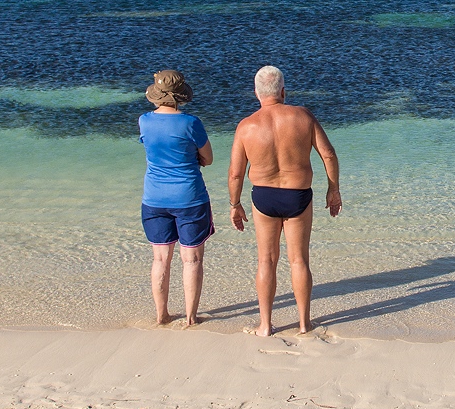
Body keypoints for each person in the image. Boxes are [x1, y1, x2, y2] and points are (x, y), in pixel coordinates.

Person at [228, 65, 341, 336]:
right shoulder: (303, 116)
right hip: (298, 195)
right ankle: (304, 324)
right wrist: (333, 189)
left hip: (264, 197)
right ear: (283, 91)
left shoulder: (246, 126)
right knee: (299, 261)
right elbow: (328, 154)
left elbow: (235, 173)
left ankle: (265, 326)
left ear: (256, 93)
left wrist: (235, 204)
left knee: (266, 261)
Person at [138, 69, 215, 327]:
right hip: (189, 197)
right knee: (191, 259)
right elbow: (208, 158)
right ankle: (192, 317)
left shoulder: (144, 121)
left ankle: (162, 315)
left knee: (160, 259)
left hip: (154, 197)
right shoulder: (191, 123)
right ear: (180, 96)